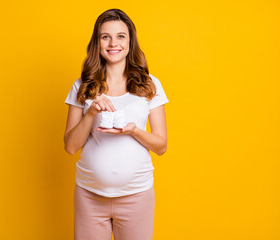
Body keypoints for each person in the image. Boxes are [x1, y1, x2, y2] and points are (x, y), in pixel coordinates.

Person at [64, 8, 169, 240]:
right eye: (106, 36)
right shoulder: (82, 86)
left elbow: (161, 146)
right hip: (89, 195)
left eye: (121, 36)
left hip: (137, 195)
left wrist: (133, 131)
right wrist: (91, 112)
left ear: (130, 42)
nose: (113, 43)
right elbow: (70, 146)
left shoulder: (150, 85)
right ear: (97, 42)